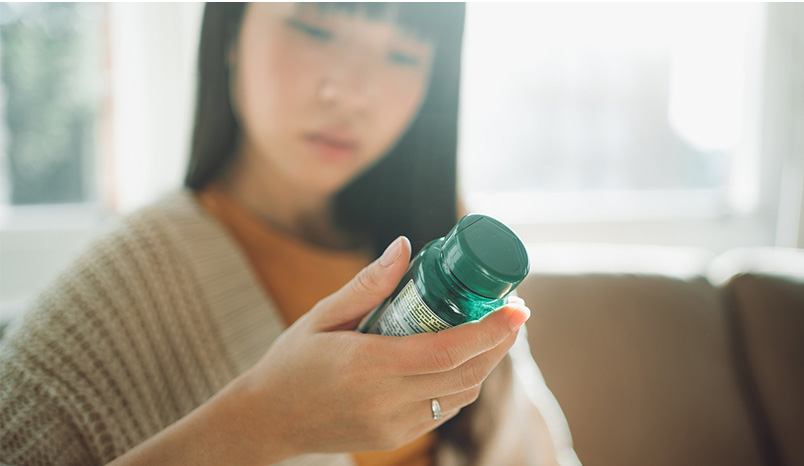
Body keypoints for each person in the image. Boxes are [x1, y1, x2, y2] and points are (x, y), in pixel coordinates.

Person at [0, 3, 578, 465]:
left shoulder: (448, 246)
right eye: (315, 28)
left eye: (403, 54)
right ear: (230, 27)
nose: (353, 93)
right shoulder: (124, 281)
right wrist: (260, 425)